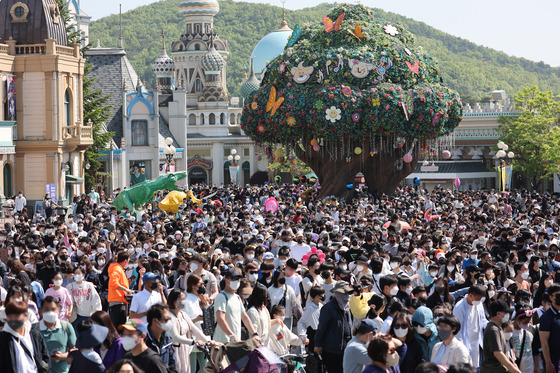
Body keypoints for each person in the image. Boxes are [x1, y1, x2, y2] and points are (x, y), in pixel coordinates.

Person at [167, 289, 210, 373]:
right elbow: (176, 337)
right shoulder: (169, 316)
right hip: (175, 351)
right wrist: (194, 342)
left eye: (184, 299)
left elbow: (195, 330)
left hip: (185, 349)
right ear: (174, 301)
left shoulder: (183, 315)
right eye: (181, 299)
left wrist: (208, 341)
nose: (184, 302)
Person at [314, 281, 354, 373]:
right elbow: (321, 328)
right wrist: (318, 344)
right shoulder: (328, 308)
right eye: (345, 293)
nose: (347, 296)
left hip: (346, 346)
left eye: (348, 293)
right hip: (332, 348)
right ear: (337, 293)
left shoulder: (347, 307)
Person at [213, 267, 260, 344]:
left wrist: (254, 333)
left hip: (235, 341)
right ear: (226, 280)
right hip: (223, 342)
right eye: (233, 279)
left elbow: (244, 317)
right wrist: (232, 335)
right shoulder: (221, 296)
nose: (236, 281)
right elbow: (220, 319)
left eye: (238, 279)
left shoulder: (237, 297)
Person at [0, 301, 50, 373]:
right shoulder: (3, 339)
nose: (13, 319)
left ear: (25, 316)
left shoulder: (35, 335)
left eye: (16, 316)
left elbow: (45, 358)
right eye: (10, 316)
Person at [36, 296, 77, 373]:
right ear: (41, 311)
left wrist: (64, 356)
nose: (50, 312)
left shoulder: (66, 326)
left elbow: (74, 350)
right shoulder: (34, 328)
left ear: (58, 310)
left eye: (53, 309)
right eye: (47, 310)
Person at [453, 284, 488, 368]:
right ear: (471, 295)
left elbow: (483, 320)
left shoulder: (478, 304)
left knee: (476, 367)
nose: (479, 301)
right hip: (464, 343)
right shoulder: (459, 307)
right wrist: (462, 347)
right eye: (478, 298)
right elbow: (458, 330)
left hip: (476, 342)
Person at [480, 300, 521, 373]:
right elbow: (498, 353)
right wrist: (512, 369)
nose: (508, 315)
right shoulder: (493, 330)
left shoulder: (498, 328)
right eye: (506, 313)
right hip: (493, 370)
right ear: (498, 314)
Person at [108, 251, 134, 328]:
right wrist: (126, 289)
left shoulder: (118, 269)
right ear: (125, 261)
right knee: (118, 328)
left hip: (119, 301)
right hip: (117, 302)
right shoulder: (117, 269)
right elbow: (114, 283)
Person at [511, 304, 539, 373]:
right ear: (518, 319)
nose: (527, 324)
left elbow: (535, 350)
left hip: (529, 368)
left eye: (529, 322)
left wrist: (537, 366)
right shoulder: (509, 330)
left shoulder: (532, 330)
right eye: (525, 322)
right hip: (514, 368)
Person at [540, 283, 560, 373]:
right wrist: (548, 362)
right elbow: (544, 342)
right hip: (554, 360)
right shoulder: (546, 317)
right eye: (558, 295)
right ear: (551, 297)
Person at [297, 285, 324, 352]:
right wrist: (304, 336)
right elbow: (301, 322)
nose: (323, 296)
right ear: (317, 296)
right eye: (321, 295)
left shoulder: (321, 306)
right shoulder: (310, 308)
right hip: (314, 334)